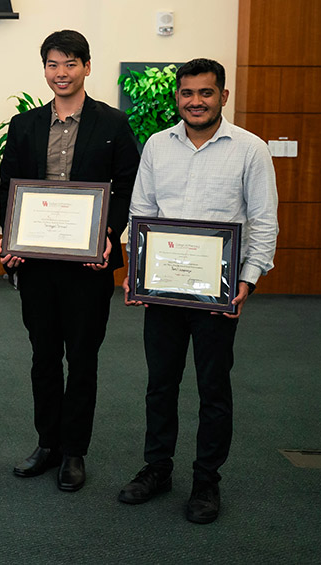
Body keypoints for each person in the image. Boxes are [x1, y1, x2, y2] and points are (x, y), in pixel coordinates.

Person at [118, 58, 278, 524]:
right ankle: (157, 468)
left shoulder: (250, 149)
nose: (195, 101)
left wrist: (246, 281)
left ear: (222, 97)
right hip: (163, 290)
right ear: (178, 98)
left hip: (217, 295)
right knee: (160, 385)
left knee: (213, 388)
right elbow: (140, 212)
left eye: (205, 93)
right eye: (187, 93)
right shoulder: (156, 145)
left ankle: (207, 479)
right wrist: (137, 271)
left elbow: (264, 222)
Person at [0, 30, 140, 491]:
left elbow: (127, 187)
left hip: (88, 265)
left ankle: (74, 451)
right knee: (43, 357)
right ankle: (47, 444)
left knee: (81, 359)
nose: (61, 73)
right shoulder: (24, 125)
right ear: (45, 70)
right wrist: (9, 236)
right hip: (36, 263)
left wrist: (110, 236)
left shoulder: (113, 124)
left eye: (70, 64)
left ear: (87, 67)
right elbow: (9, 185)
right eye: (53, 65)